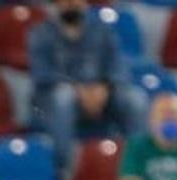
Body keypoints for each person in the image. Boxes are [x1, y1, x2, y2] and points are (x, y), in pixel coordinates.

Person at [28, 0, 143, 169]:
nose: (71, 3)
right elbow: (42, 74)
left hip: (102, 96)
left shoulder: (102, 30)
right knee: (63, 97)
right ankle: (65, 170)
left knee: (135, 99)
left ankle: (136, 168)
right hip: (56, 100)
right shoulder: (41, 32)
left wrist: (105, 87)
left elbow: (117, 67)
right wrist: (79, 90)